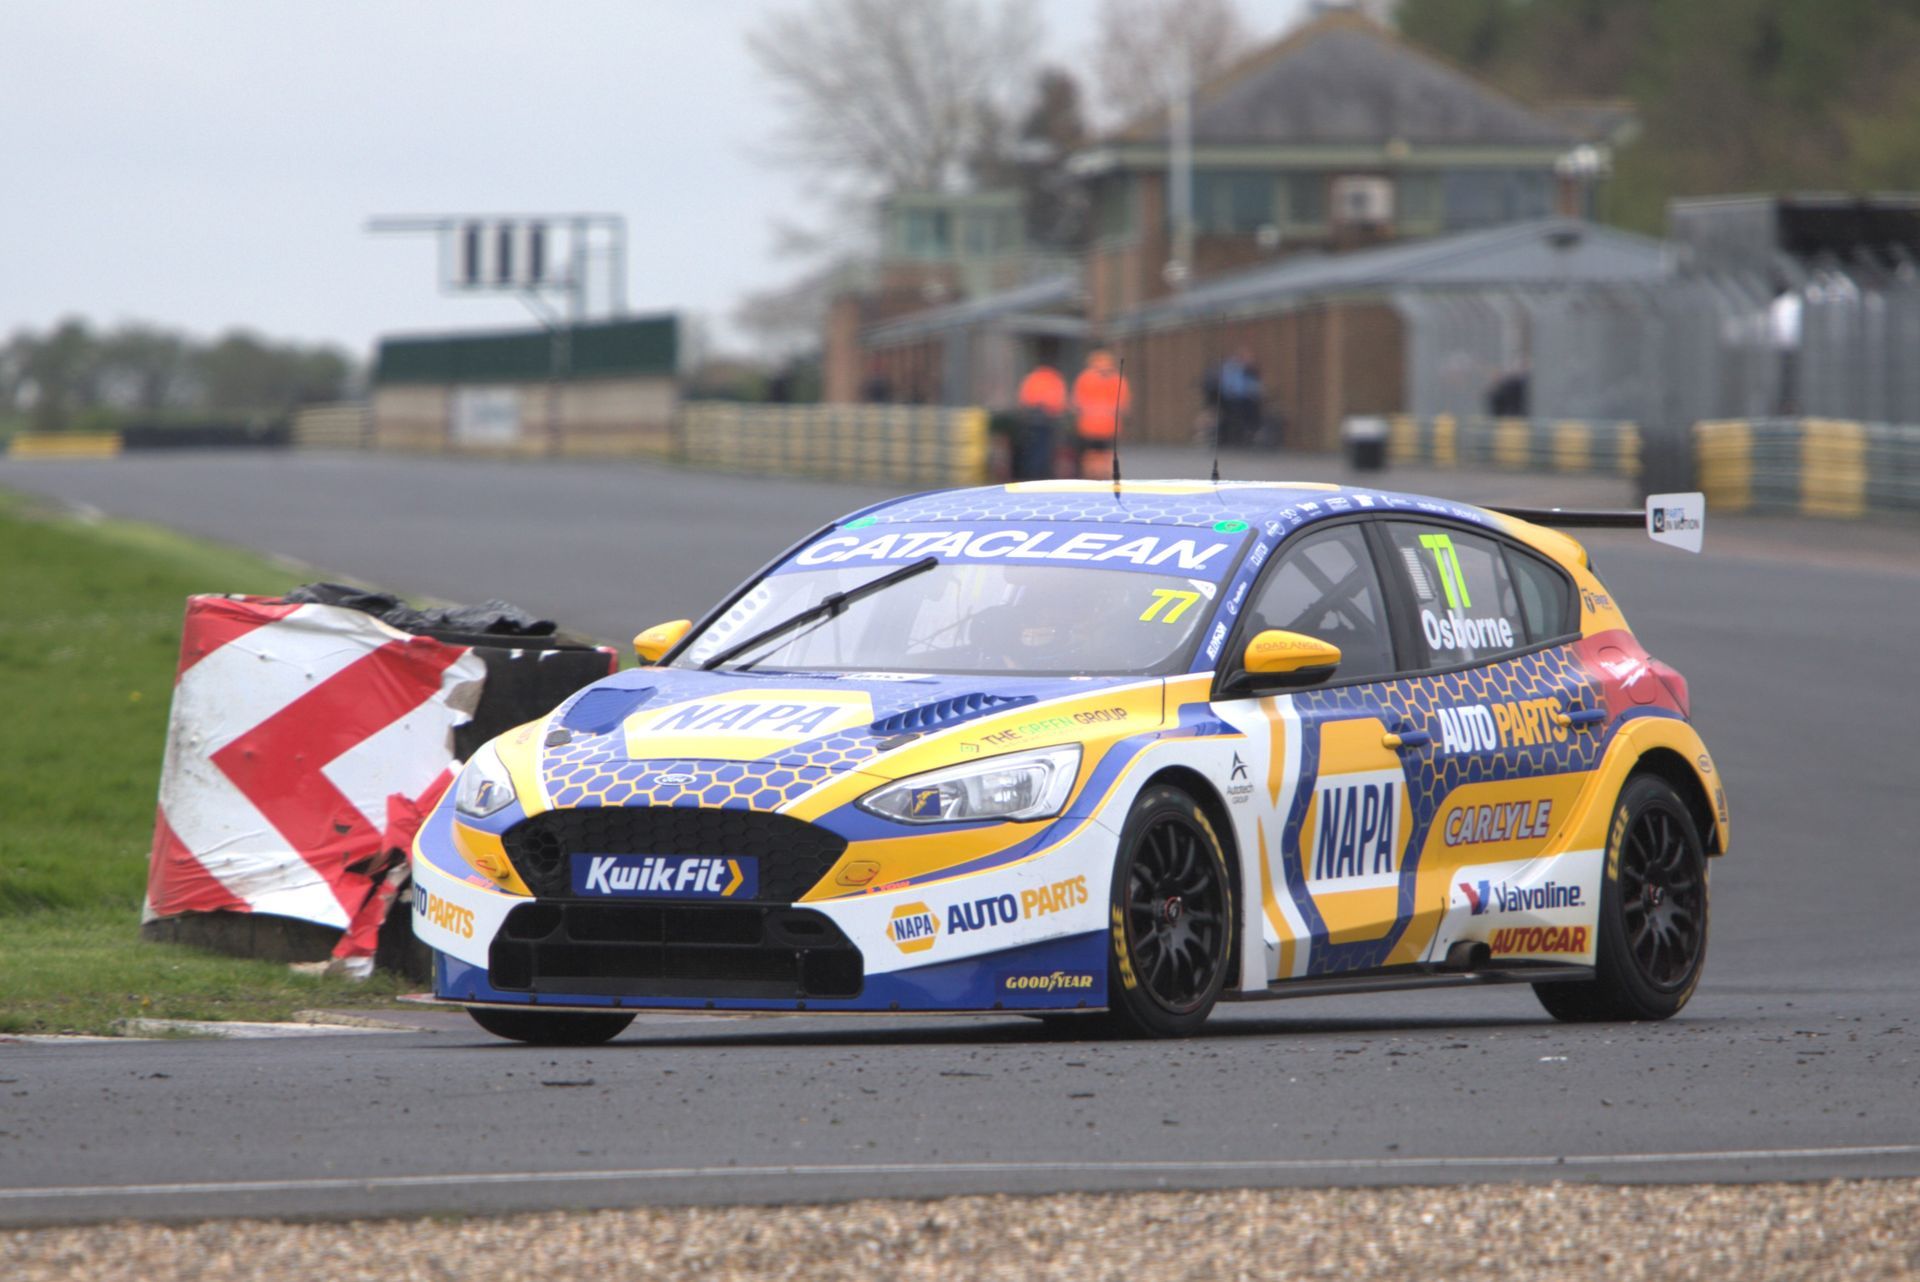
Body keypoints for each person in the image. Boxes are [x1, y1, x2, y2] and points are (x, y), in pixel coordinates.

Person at [1071, 348, 1131, 479]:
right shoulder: (1118, 380)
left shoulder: (1084, 378)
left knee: (1089, 458)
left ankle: (1091, 480)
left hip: (1088, 428)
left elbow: (1076, 404)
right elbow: (1123, 407)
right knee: (1107, 458)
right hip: (1109, 429)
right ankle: (1106, 480)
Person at [1013, 343, 1068, 479]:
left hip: (1033, 421)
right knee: (1044, 451)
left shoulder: (1032, 378)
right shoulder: (1055, 378)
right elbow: (1059, 401)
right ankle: (1041, 474)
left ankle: (1032, 474)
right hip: (1048, 421)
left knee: (1033, 450)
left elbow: (1024, 399)